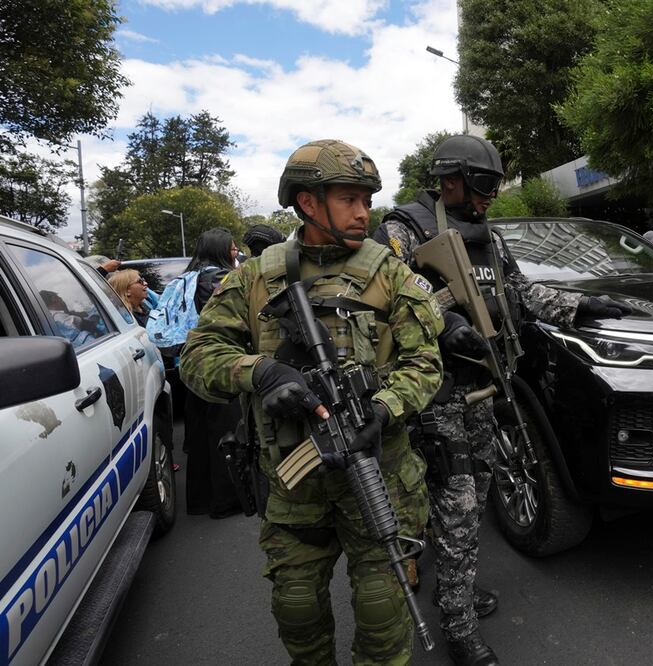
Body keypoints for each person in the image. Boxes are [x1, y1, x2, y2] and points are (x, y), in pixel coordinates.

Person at [180, 139, 443, 664]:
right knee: (297, 613)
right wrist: (262, 372)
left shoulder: (388, 273)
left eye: (367, 199)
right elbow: (197, 356)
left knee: (382, 616)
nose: (364, 212)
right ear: (307, 203)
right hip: (292, 484)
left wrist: (384, 407)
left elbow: (426, 363)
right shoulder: (257, 276)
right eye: (350, 199)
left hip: (378, 475)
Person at [373, 134, 629, 666]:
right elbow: (393, 293)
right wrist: (444, 322)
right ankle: (458, 626)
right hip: (433, 393)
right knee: (460, 506)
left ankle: (454, 590)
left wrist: (583, 305)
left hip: (486, 387)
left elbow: (519, 293)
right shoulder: (403, 228)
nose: (491, 195)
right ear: (449, 180)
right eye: (483, 185)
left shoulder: (486, 235)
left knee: (479, 490)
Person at [177, 228, 243, 519]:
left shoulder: (187, 278)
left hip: (192, 365)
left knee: (201, 436)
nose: (236, 250)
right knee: (225, 433)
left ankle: (200, 500)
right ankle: (227, 500)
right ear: (219, 250)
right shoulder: (219, 279)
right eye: (231, 247)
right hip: (220, 365)